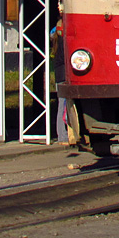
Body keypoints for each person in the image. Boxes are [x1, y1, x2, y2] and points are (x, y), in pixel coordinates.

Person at [50, 17, 69, 145]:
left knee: (60, 106)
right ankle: (62, 135)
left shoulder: (55, 44)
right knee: (63, 107)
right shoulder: (63, 43)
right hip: (64, 77)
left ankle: (62, 133)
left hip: (58, 76)